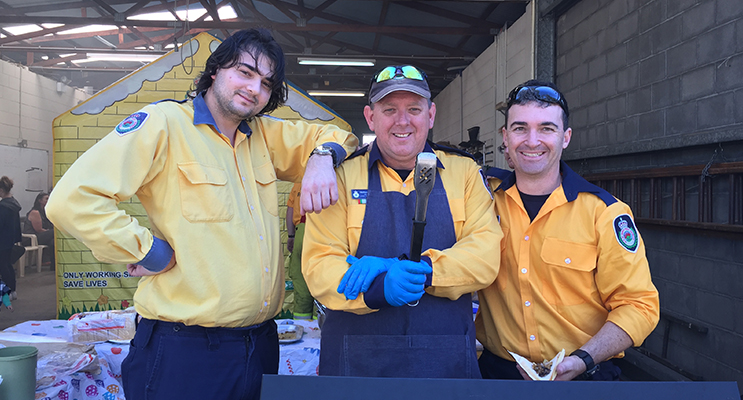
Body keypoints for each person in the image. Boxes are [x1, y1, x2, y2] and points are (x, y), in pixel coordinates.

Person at [46, 29, 357, 400]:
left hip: (259, 344)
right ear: (215, 70)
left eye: (266, 83)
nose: (254, 88)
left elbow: (342, 135)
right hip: (185, 351)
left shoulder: (264, 135)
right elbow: (72, 199)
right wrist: (149, 251)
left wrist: (322, 157)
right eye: (245, 72)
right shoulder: (164, 123)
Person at [302, 65, 502, 378]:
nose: (402, 121)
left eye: (414, 109)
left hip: (444, 362)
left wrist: (422, 272)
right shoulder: (341, 176)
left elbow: (485, 256)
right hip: (356, 364)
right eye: (389, 110)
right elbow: (319, 265)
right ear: (370, 117)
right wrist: (379, 287)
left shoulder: (463, 173)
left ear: (431, 115)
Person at [477, 80, 660, 381]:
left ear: (565, 137)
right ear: (505, 137)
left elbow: (638, 305)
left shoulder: (604, 213)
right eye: (520, 128)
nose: (532, 141)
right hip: (498, 375)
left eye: (546, 128)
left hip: (584, 374)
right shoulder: (482, 201)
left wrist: (584, 359)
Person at [285, 182, 314, 319]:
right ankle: (321, 325)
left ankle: (301, 323)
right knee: (323, 281)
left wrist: (291, 236)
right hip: (323, 232)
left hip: (300, 232)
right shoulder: (333, 180)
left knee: (301, 284)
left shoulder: (298, 183)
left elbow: (290, 210)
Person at [0, 176, 22, 301]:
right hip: (10, 240)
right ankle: (12, 290)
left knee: (3, 266)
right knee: (8, 265)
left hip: (2, 240)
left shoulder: (3, 206)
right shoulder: (14, 204)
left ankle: (7, 292)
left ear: (1, 190)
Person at [24, 192, 55, 268]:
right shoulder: (35, 212)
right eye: (46, 199)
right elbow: (39, 229)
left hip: (40, 236)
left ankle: (51, 264)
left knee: (53, 242)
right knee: (54, 232)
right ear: (40, 201)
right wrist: (49, 232)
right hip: (31, 238)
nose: (48, 200)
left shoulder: (45, 212)